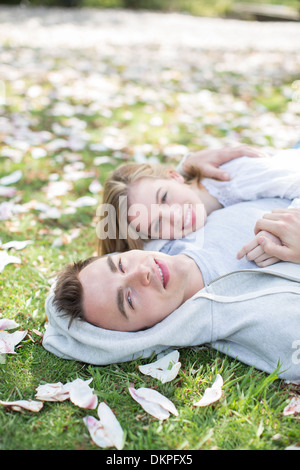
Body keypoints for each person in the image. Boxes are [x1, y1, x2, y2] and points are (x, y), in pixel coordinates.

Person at [43, 199, 300, 381]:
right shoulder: (264, 325)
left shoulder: (171, 229)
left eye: (121, 264)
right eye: (129, 299)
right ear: (143, 333)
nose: (140, 273)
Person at [97, 146, 300, 269]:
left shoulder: (235, 176)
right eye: (157, 223)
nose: (174, 216)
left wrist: (283, 230)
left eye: (164, 197)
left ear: (175, 176)